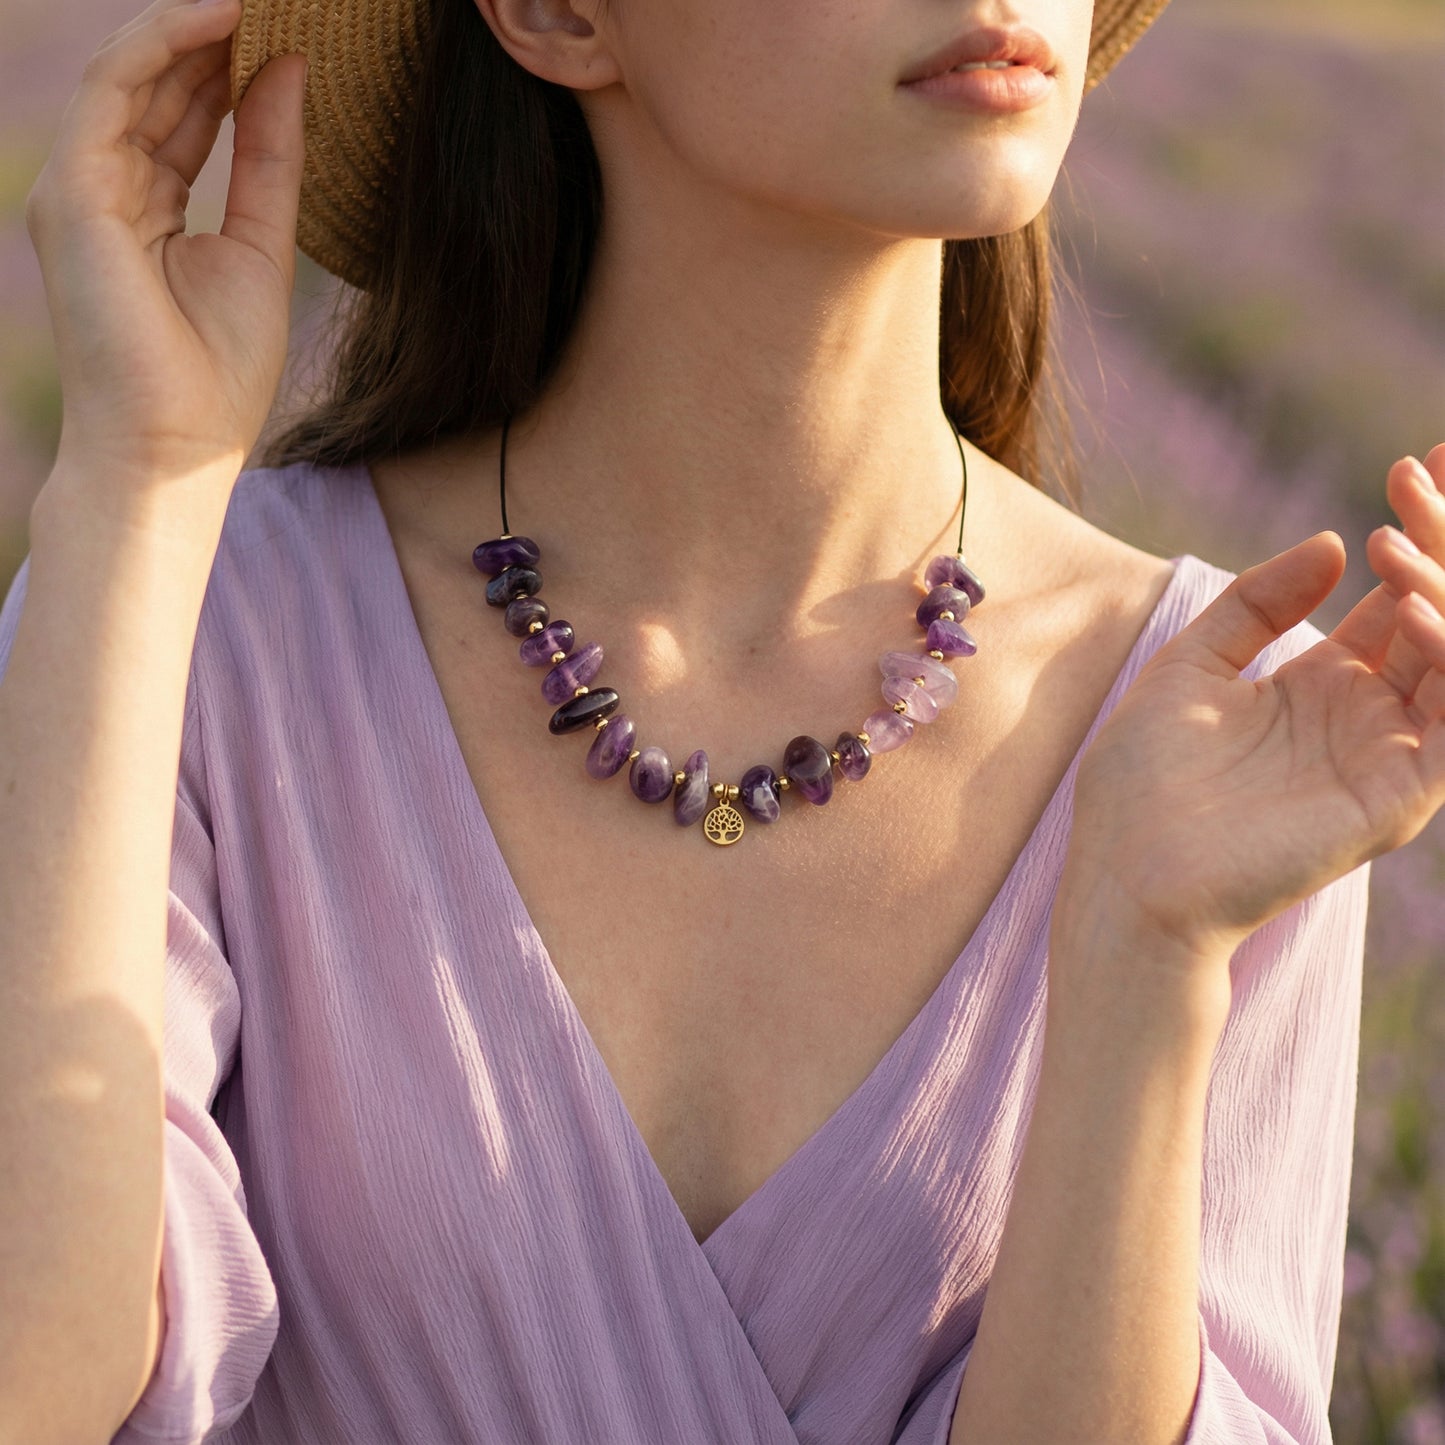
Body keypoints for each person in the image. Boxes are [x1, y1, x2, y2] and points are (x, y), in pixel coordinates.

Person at [1, 0, 1440, 1440]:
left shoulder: (1222, 724)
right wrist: (136, 482)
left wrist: (1144, 946)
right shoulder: (192, 622)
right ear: (558, 14)